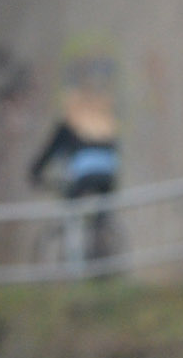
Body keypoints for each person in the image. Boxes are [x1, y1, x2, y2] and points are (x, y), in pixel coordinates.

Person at [27, 87, 120, 261]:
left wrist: (34, 173)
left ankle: (75, 258)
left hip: (83, 177)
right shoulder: (105, 124)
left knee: (72, 210)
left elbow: (49, 152)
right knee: (100, 216)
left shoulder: (69, 125)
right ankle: (101, 245)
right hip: (108, 178)